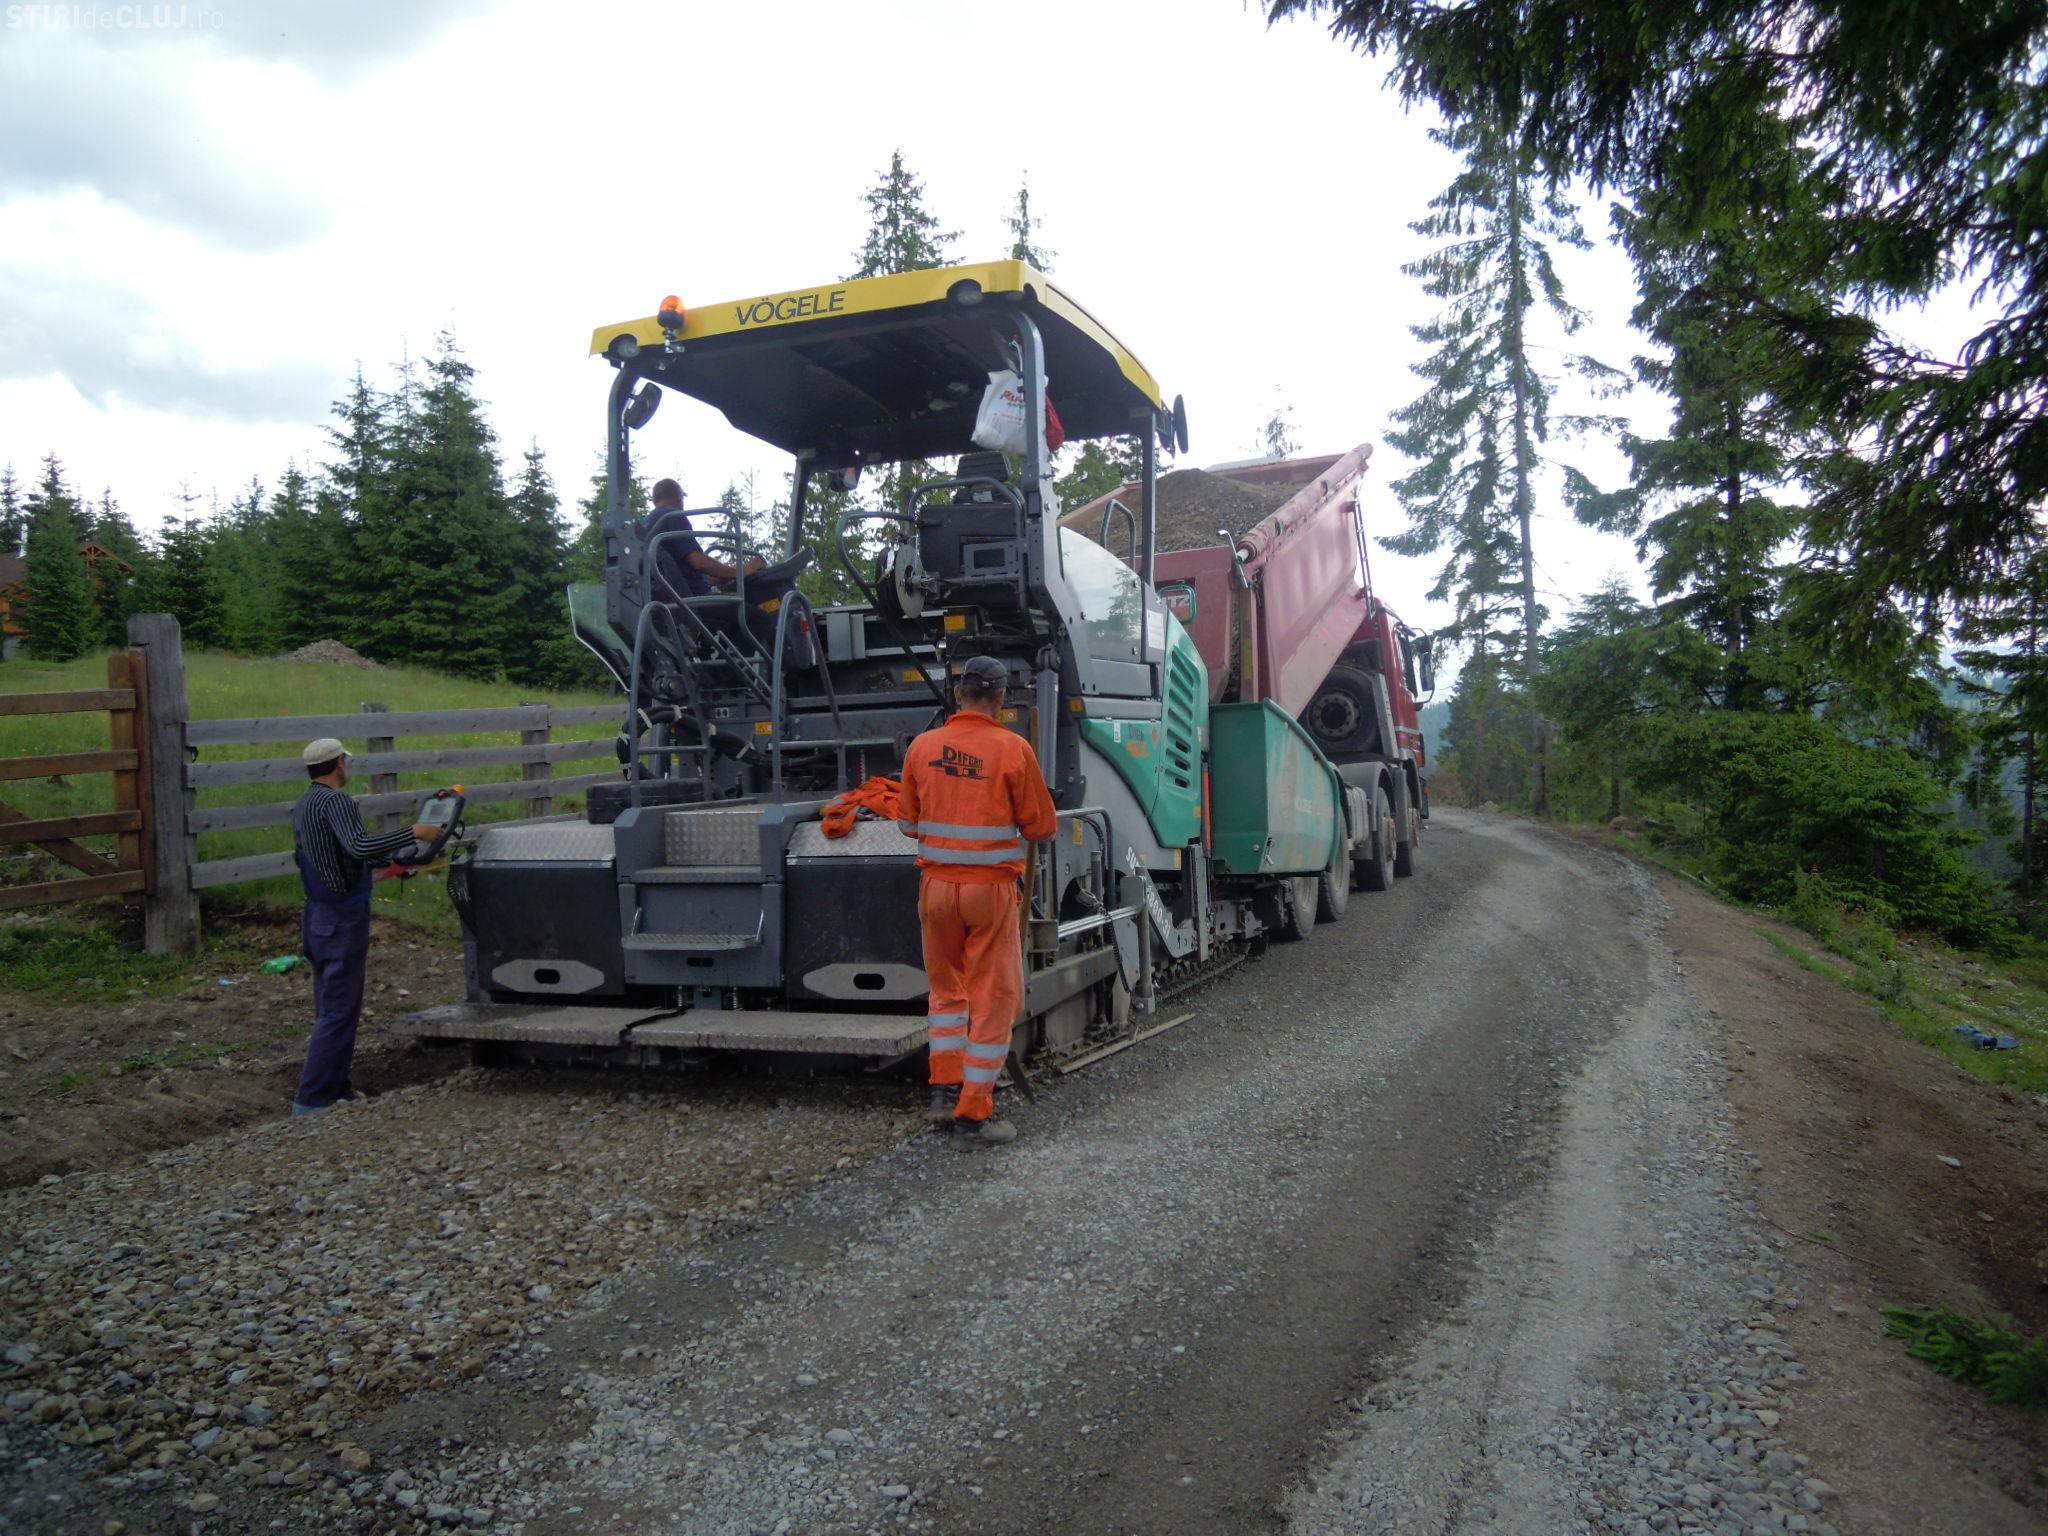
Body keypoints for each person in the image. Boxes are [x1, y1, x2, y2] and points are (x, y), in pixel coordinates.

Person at [895, 655, 1058, 1148]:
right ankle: (972, 1119)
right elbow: (1041, 828)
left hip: (935, 891)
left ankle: (943, 1091)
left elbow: (907, 824)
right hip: (988, 894)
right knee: (993, 1000)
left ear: (958, 694)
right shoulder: (1013, 749)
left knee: (947, 992)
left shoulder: (922, 747)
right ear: (1001, 698)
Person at [289, 739, 440, 1117]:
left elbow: (336, 854)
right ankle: (311, 1099)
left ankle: (336, 1087)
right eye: (345, 760)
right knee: (339, 1010)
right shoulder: (336, 802)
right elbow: (357, 847)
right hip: (342, 918)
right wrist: (415, 832)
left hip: (317, 916)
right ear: (339, 763)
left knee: (331, 1005)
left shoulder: (305, 803)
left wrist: (390, 861)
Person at [644, 477, 763, 597]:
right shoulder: (673, 516)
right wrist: (741, 572)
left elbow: (685, 575)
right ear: (679, 497)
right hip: (691, 602)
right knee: (755, 607)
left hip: (670, 598)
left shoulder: (647, 525)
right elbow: (699, 562)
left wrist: (729, 573)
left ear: (655, 500)